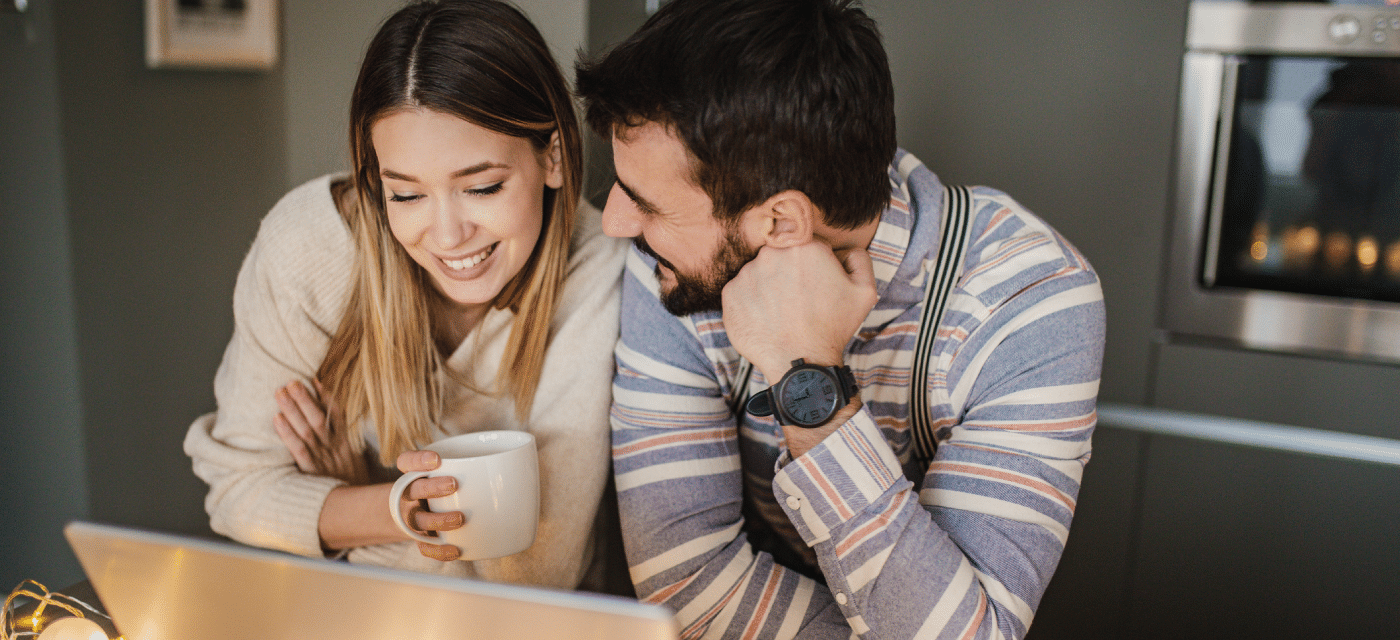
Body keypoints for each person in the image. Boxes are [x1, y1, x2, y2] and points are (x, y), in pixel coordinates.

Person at [575, 0, 1106, 636]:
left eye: (647, 204)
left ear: (779, 222)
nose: (614, 222)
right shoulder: (667, 265)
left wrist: (808, 376)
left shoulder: (1032, 299)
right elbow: (688, 586)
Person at [184, 0, 629, 591]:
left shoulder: (598, 266)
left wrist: (346, 506)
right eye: (407, 195)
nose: (447, 236)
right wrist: (395, 506)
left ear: (552, 155)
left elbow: (530, 576)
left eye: (483, 186)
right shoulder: (308, 249)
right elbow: (238, 494)